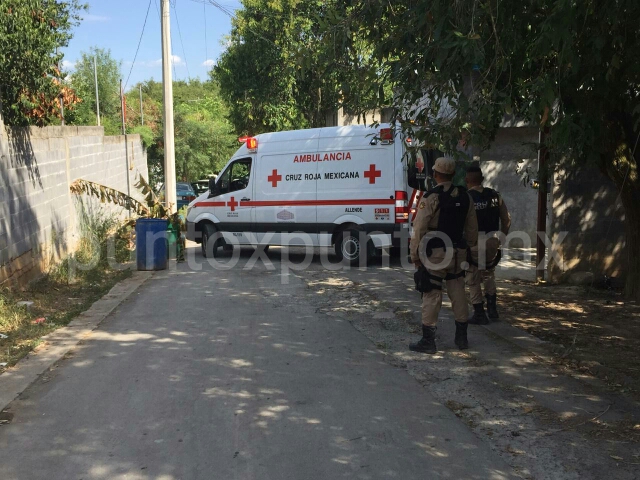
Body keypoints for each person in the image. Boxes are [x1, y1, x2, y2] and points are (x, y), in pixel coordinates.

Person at [409, 157, 478, 354]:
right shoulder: (466, 197)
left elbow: (420, 227)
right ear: (453, 174)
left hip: (437, 253)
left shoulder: (431, 197)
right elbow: (472, 229)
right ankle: (462, 337)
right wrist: (470, 249)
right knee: (458, 291)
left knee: (431, 292)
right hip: (458, 253)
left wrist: (415, 254)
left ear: (436, 174)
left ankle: (428, 340)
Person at [465, 165, 511, 323]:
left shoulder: (466, 197)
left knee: (473, 277)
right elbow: (506, 219)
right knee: (489, 273)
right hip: (493, 240)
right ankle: (493, 310)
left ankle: (479, 313)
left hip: (475, 241)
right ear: (482, 179)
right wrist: (502, 238)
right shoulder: (495, 195)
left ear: (466, 181)